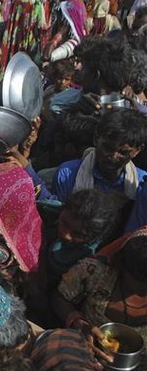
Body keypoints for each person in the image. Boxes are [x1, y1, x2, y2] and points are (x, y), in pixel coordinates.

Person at [52, 227, 147, 362]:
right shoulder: (95, 273)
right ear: (121, 266)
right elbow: (60, 297)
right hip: (80, 356)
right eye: (138, 286)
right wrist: (78, 322)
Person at [29, 108, 147, 203]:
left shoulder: (141, 183)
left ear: (137, 151)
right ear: (96, 138)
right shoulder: (68, 174)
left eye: (123, 152)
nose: (113, 156)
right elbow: (58, 215)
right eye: (108, 148)